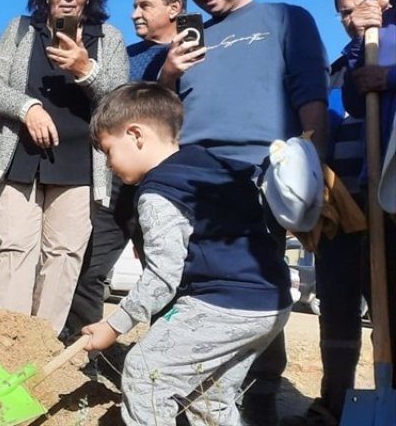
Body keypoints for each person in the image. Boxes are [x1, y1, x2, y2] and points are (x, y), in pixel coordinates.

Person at [160, 0, 328, 424]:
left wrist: (313, 163)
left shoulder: (285, 18)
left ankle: (258, 394)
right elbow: (162, 110)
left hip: (258, 171)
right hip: (191, 172)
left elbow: (309, 89)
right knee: (190, 280)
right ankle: (189, 383)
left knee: (257, 282)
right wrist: (169, 72)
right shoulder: (190, 40)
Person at [81, 82, 292, 426]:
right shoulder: (210, 166)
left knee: (143, 371)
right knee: (209, 397)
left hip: (222, 305)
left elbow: (162, 278)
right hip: (270, 301)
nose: (108, 164)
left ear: (136, 134)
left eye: (108, 150)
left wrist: (113, 326)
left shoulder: (159, 194)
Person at [0, 0, 129, 334]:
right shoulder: (19, 30)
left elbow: (120, 101)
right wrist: (27, 108)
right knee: (15, 251)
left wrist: (85, 69)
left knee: (64, 256)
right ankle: (6, 343)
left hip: (79, 166)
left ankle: (39, 346)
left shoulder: (108, 39)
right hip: (21, 161)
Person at [287, 0, 395, 426]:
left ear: (386, 4)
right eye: (345, 12)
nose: (353, 18)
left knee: (389, 310)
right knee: (336, 307)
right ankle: (334, 399)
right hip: (340, 210)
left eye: (361, 7)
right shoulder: (334, 73)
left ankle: (387, 395)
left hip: (385, 205)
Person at [63, 0, 186, 338]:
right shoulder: (126, 58)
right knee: (91, 266)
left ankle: (165, 355)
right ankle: (81, 350)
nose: (134, 14)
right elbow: (111, 110)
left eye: (144, 5)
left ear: (174, 8)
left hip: (169, 183)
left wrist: (172, 74)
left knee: (166, 271)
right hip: (117, 182)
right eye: (134, 5)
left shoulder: (199, 56)